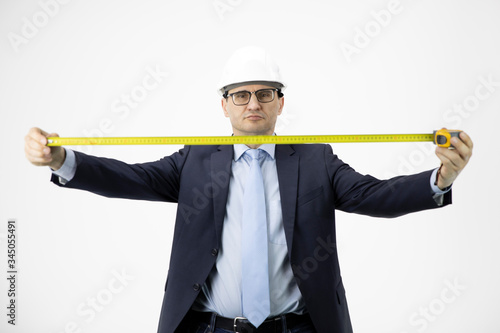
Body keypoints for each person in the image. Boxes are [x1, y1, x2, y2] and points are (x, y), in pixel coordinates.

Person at [24, 46, 473, 333]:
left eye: (265, 93)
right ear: (224, 105)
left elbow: (371, 195)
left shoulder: (315, 158)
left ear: (281, 102)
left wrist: (439, 180)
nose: (253, 103)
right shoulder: (197, 160)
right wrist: (63, 159)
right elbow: (130, 177)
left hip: (300, 327)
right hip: (210, 328)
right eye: (241, 95)